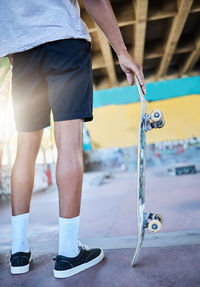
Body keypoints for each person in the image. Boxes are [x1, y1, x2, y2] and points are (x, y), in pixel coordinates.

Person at [0, 0, 146, 279]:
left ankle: (18, 251)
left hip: (22, 55)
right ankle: (68, 253)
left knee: (25, 150)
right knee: (69, 145)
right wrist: (122, 51)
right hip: (64, 42)